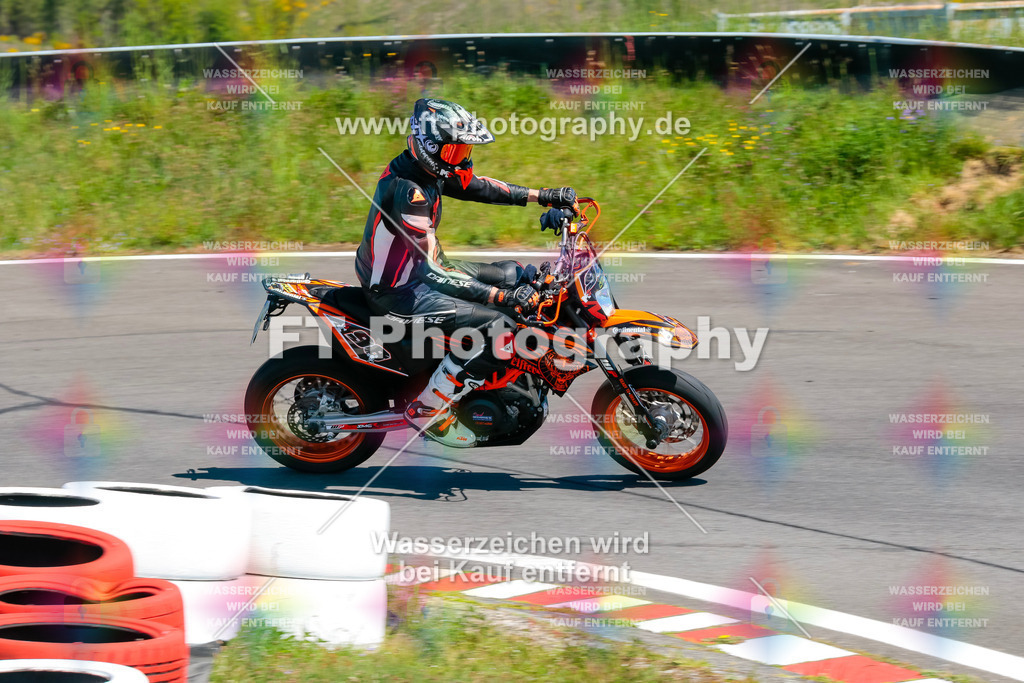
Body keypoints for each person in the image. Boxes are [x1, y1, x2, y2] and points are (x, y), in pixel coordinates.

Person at [354, 98, 577, 428]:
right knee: (500, 327)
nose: (461, 159)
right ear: (429, 146)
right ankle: (429, 406)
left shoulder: (425, 168)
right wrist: (501, 297)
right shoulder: (410, 193)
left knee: (516, 273)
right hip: (397, 293)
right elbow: (433, 271)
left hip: (416, 274)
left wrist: (544, 195)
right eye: (454, 151)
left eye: (464, 151)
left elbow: (479, 187)